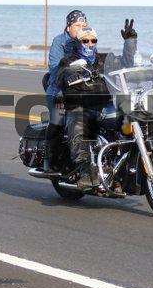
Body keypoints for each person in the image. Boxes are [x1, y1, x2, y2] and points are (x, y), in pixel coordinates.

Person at [57, 20, 138, 189]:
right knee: (79, 126)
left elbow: (127, 63)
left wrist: (129, 42)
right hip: (81, 106)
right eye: (85, 40)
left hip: (104, 105)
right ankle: (86, 172)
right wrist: (71, 75)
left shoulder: (105, 59)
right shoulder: (69, 60)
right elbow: (62, 76)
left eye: (93, 40)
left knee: (131, 117)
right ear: (79, 42)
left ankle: (125, 168)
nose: (90, 44)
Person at [42, 10, 88, 174]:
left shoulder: (87, 41)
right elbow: (55, 69)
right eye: (77, 25)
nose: (81, 28)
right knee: (59, 119)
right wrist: (64, 88)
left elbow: (97, 63)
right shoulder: (59, 42)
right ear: (68, 27)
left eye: (84, 25)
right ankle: (49, 158)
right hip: (59, 90)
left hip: (83, 90)